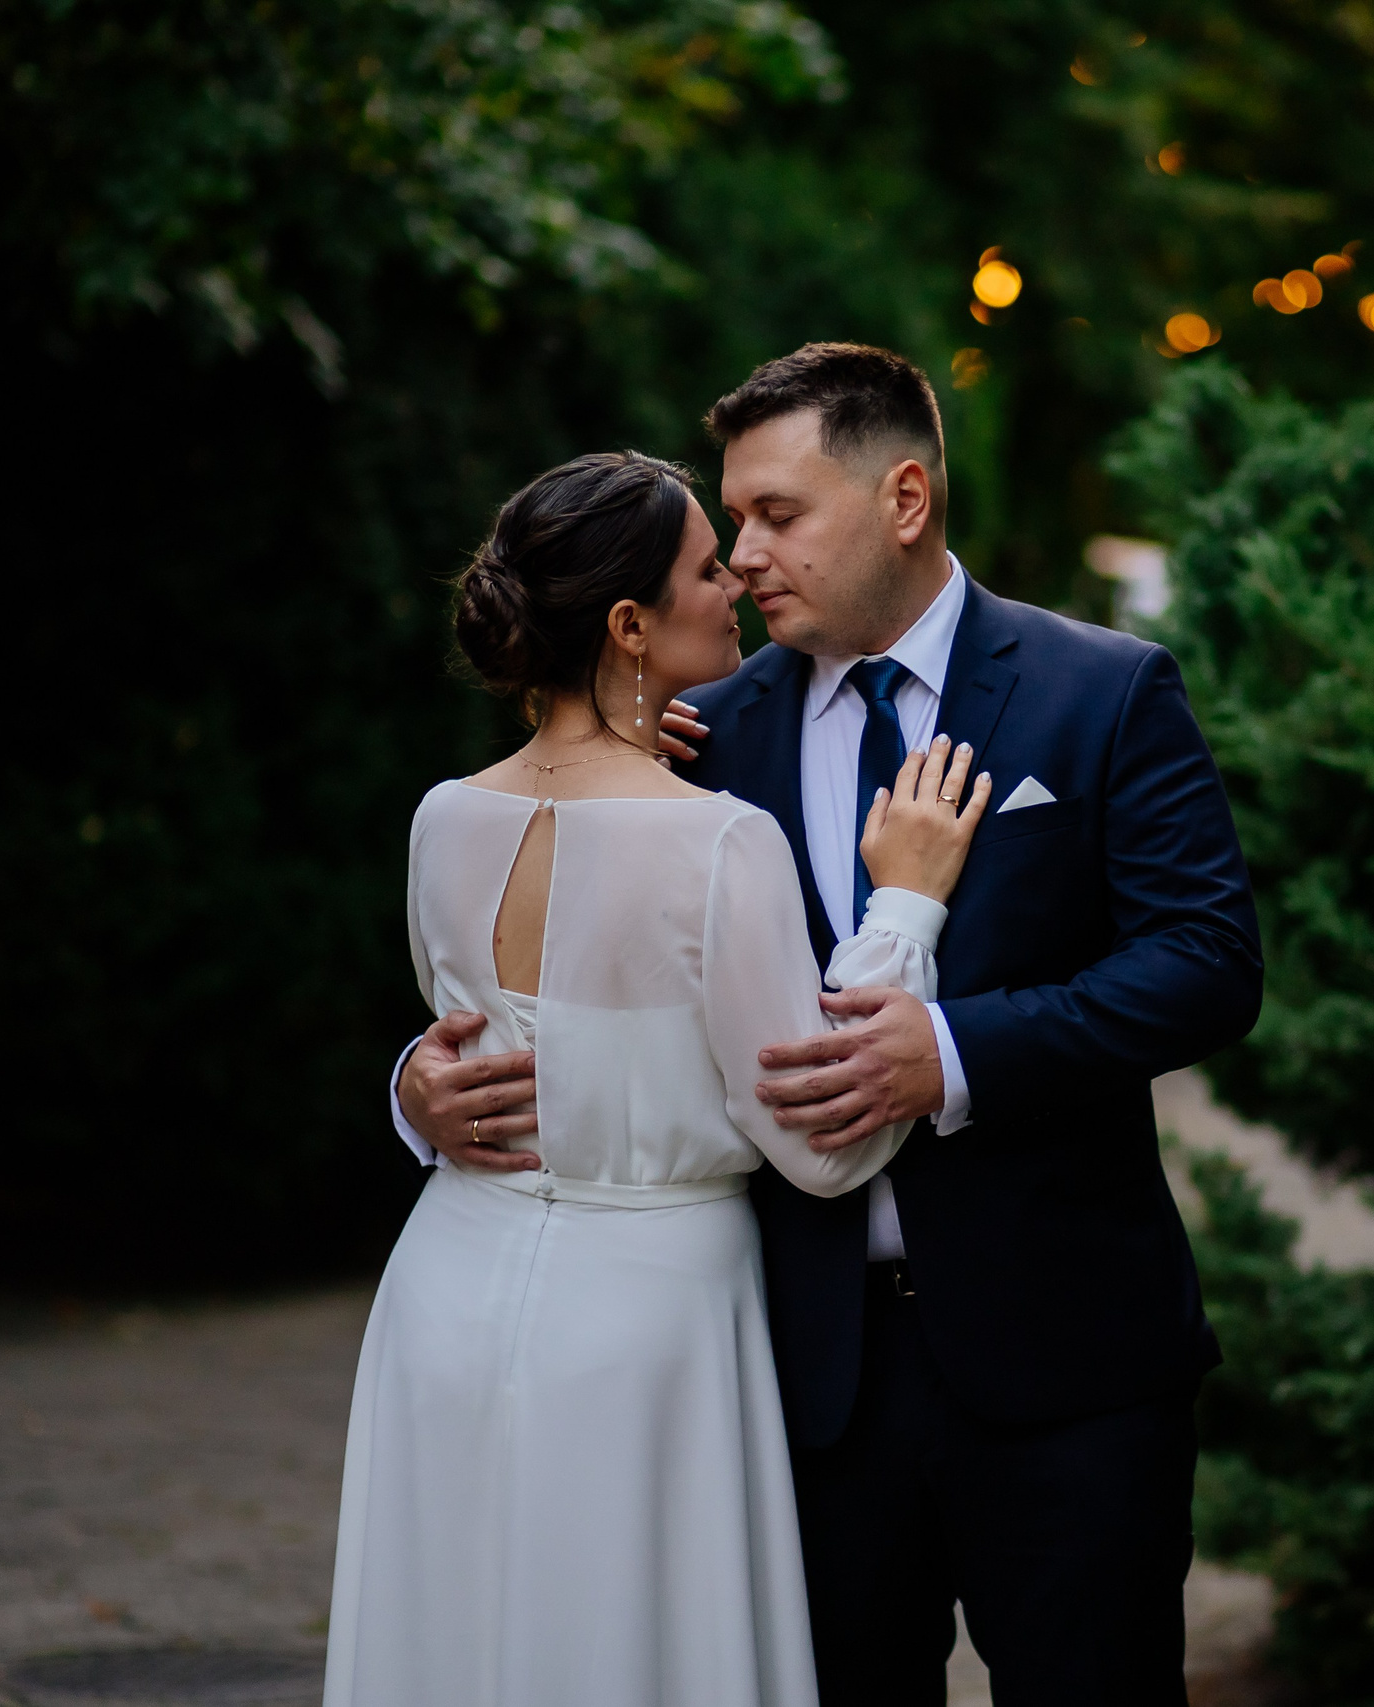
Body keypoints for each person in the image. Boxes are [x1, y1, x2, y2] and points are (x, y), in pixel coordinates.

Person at [397, 345, 1264, 1705]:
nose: (741, 555)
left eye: (777, 514)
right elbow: (569, 959)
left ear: (903, 497)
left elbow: (1206, 960)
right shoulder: (694, 730)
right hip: (793, 1375)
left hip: (1067, 1362)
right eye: (731, 521)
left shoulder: (1099, 689)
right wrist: (419, 1087)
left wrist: (958, 1053)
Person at [325, 449, 992, 1707]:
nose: (735, 580)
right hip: (643, 1326)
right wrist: (903, 905)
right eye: (703, 567)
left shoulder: (441, 817)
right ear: (630, 627)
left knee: (461, 1644)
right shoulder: (717, 839)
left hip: (439, 1299)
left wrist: (417, 1086)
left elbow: (472, 1039)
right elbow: (823, 1139)